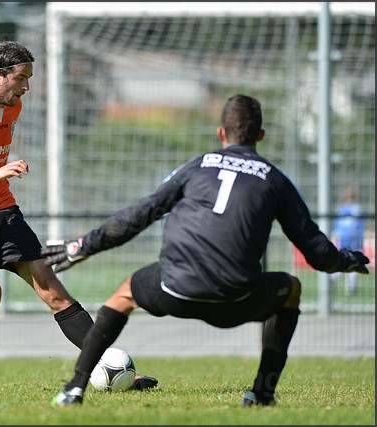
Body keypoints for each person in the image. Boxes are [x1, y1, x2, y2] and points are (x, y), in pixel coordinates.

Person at [43, 94, 370, 408]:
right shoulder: (276, 180)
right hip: (237, 299)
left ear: (220, 133)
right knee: (292, 289)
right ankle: (262, 393)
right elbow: (315, 251)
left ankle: (74, 389)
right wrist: (345, 261)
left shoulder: (198, 165)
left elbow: (142, 213)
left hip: (175, 289)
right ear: (260, 135)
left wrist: (83, 245)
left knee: (125, 293)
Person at [0, 40, 157, 393]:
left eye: (29, 78)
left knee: (55, 293)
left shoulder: (12, 106)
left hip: (1, 210)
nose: (27, 87)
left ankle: (111, 368)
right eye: (21, 78)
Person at [331, 186, 365, 295]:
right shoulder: (356, 209)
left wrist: (335, 235)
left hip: (346, 239)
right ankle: (349, 286)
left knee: (342, 260)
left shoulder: (342, 209)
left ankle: (337, 281)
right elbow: (359, 226)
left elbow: (337, 226)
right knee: (353, 260)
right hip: (351, 239)